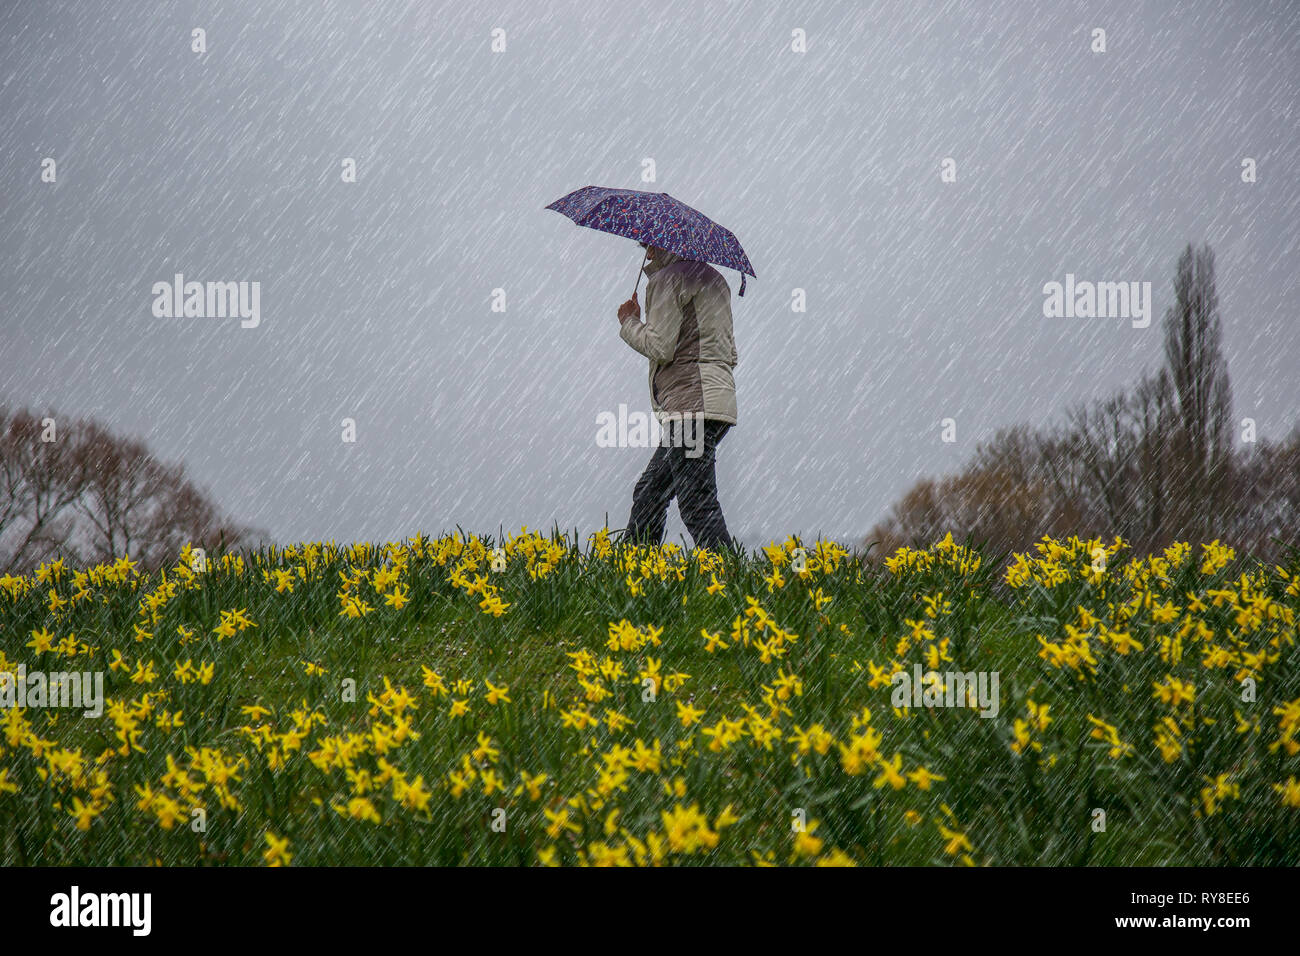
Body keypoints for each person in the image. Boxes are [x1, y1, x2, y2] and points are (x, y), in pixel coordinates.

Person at [616, 242, 738, 551]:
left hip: (690, 406)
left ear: (664, 243)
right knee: (650, 492)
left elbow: (660, 347)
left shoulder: (668, 279)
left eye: (649, 246)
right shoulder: (716, 279)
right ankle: (635, 570)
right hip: (717, 403)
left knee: (696, 501)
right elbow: (731, 352)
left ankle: (730, 579)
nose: (646, 253)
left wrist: (629, 321)